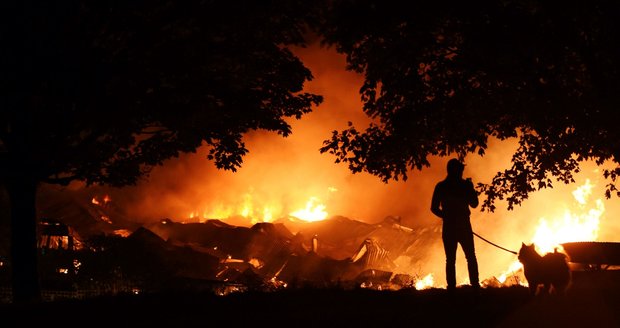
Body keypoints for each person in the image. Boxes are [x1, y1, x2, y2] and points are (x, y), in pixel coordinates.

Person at [431, 158, 480, 293]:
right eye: (460, 169)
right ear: (457, 170)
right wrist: (471, 189)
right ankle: (475, 287)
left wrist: (446, 217)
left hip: (449, 227)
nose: (462, 172)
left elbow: (434, 208)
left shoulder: (441, 186)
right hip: (464, 225)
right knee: (470, 256)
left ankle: (452, 289)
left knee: (450, 259)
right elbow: (474, 204)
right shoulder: (465, 186)